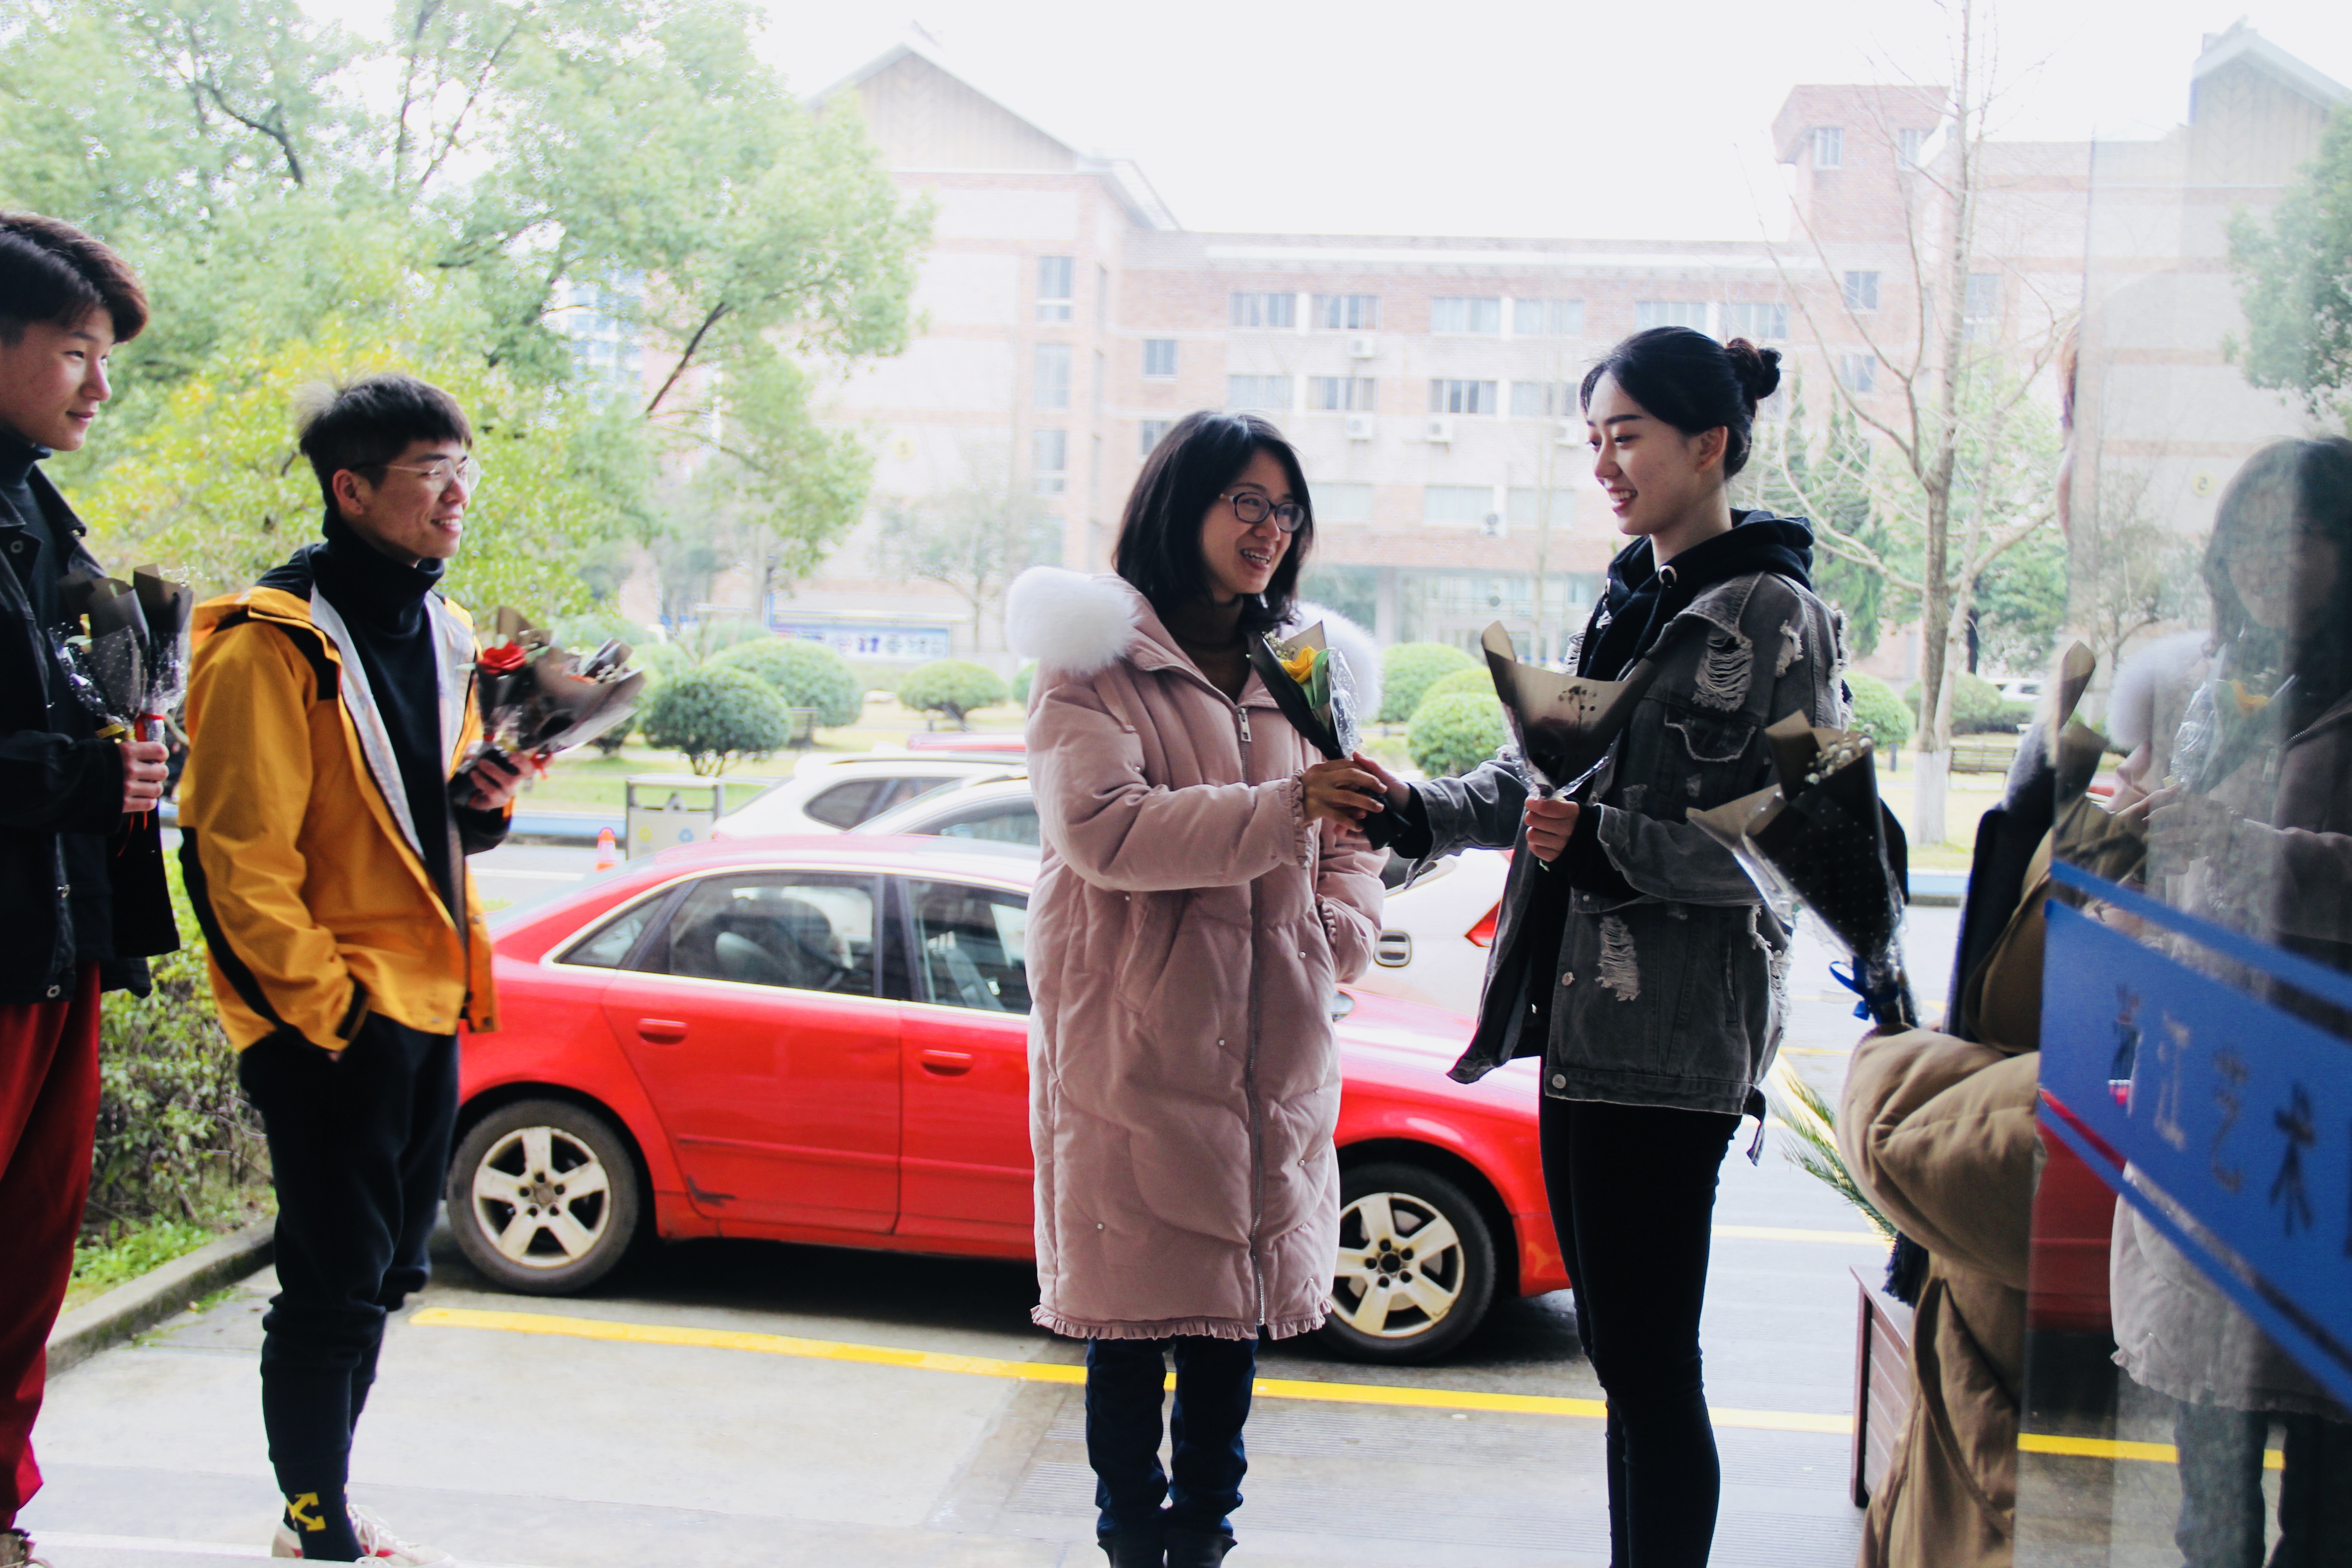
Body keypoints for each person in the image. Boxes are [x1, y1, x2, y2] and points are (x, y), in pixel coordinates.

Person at [1357, 327, 1844, 1567]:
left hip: (1676, 1048)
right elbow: (1542, 774)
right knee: (1622, 1361)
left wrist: (1612, 842)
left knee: (1649, 1361)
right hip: (1578, 1029)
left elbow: (1813, 837)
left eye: (1627, 437)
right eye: (1593, 440)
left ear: (1709, 444)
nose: (1604, 466)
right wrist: (1414, 809)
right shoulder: (1633, 596)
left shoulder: (1777, 612)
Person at [1006, 410, 1388, 1568]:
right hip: (1136, 1049)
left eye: (1287, 511)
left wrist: (1338, 929)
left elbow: (1349, 828)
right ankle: (1132, 1542)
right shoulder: (1094, 662)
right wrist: (1288, 809)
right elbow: (1106, 833)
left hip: (1270, 1051)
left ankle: (1206, 1543)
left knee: (1233, 1333)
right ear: (1183, 505)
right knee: (1131, 1334)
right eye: (1246, 504)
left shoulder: (1304, 663)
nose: (1271, 530)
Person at [180, 374, 524, 1564]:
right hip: (332, 1016)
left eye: (464, 467)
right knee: (330, 1282)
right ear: (353, 489)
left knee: (380, 1277)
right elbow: (236, 862)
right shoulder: (269, 643)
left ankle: (318, 1505)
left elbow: (419, 822)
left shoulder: (443, 630)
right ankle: (317, 1523)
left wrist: (481, 805)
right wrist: (326, 1016)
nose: (458, 492)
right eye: (432, 471)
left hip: (428, 1001)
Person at [2107, 436, 2352, 1567]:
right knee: (2208, 1492)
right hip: (2210, 1104)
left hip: (2319, 1113)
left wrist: (2239, 842)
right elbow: (2191, 878)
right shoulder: (2217, 689)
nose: (2266, 560)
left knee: (2330, 1490)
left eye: (2297, 536)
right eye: (2246, 536)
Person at [0, 212, 175, 1568]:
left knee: (31, 1248)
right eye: (76, 352)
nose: (99, 387)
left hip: (58, 938)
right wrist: (85, 770)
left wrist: (136, 751)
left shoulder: (39, 513)